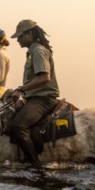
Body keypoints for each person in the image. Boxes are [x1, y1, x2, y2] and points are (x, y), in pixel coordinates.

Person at [8, 20, 59, 169]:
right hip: (35, 97)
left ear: (29, 34)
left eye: (20, 36)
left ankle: (35, 166)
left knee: (19, 125)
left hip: (44, 100)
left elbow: (44, 77)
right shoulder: (32, 51)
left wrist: (21, 89)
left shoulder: (38, 51)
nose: (17, 40)